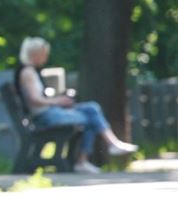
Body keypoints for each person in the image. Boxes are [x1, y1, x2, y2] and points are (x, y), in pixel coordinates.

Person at [16, 37, 138, 174]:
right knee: (90, 117)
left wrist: (58, 101)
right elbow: (34, 100)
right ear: (36, 53)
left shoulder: (32, 71)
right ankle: (97, 152)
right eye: (44, 54)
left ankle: (106, 147)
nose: (46, 57)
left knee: (91, 108)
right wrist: (58, 101)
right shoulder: (27, 72)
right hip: (44, 117)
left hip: (50, 112)